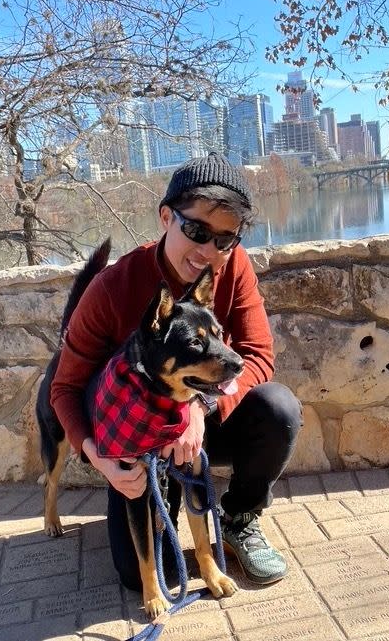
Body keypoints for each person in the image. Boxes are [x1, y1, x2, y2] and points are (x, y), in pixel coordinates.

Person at [50, 151, 303, 590]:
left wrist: (201, 409)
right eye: (196, 230)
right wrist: (100, 459)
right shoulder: (111, 288)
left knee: (279, 408)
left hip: (201, 426)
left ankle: (239, 518)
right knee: (139, 574)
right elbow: (65, 388)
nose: (209, 251)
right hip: (136, 440)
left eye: (225, 239)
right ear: (166, 216)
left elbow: (258, 353)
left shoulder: (233, 267)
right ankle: (160, 501)